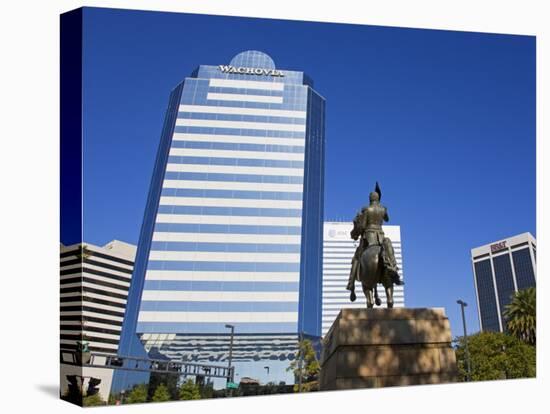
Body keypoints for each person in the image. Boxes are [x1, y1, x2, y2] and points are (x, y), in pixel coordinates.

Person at [346, 185, 403, 300]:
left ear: (370, 199)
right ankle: (393, 267)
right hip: (381, 237)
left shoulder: (366, 209)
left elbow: (362, 226)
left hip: (369, 238)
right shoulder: (383, 209)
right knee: (388, 245)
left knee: (356, 258)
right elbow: (387, 219)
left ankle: (351, 282)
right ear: (377, 199)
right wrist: (381, 207)